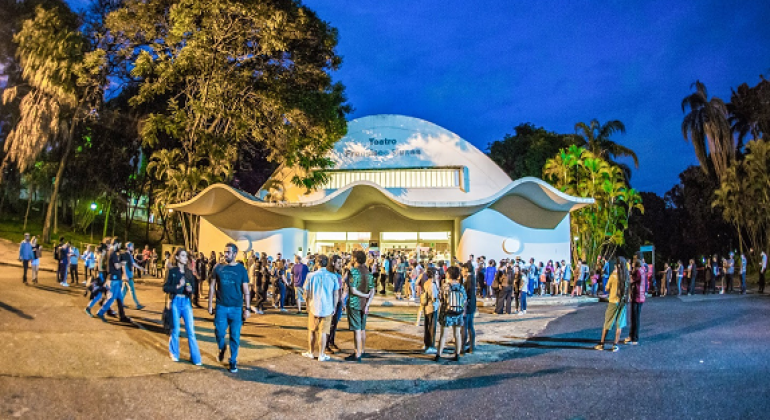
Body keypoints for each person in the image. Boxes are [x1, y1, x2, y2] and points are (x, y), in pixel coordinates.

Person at [208, 243, 251, 373]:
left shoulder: (241, 270)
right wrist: (210, 305)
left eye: (228, 252)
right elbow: (212, 287)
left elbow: (246, 290)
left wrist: (247, 308)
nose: (225, 254)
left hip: (236, 308)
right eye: (225, 252)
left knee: (235, 336)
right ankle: (222, 348)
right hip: (221, 306)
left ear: (235, 254)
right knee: (219, 332)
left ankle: (233, 361)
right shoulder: (218, 267)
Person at [163, 248, 202, 365]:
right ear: (177, 257)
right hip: (175, 301)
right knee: (175, 329)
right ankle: (174, 353)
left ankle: (196, 358)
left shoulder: (188, 272)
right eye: (183, 256)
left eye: (186, 256)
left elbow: (193, 287)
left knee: (191, 331)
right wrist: (178, 286)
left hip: (186, 302)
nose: (185, 258)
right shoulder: (172, 271)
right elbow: (165, 287)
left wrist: (190, 290)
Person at [301, 254, 340, 362]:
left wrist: (307, 304)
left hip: (314, 306)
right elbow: (336, 294)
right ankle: (321, 354)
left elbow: (306, 292)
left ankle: (311, 352)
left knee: (312, 330)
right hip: (328, 307)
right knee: (323, 332)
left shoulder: (310, 275)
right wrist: (334, 306)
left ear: (317, 263)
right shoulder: (333, 276)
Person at [345, 250, 375, 362]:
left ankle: (357, 354)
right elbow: (372, 290)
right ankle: (362, 350)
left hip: (355, 303)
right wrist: (367, 303)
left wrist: (364, 295)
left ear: (355, 259)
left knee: (357, 330)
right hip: (364, 305)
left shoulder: (353, 272)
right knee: (362, 329)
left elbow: (353, 290)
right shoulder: (368, 272)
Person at [595, 257, 628, 352]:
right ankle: (615, 345)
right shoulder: (626, 275)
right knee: (619, 324)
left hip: (613, 301)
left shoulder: (613, 275)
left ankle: (602, 344)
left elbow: (607, 288)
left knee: (608, 322)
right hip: (623, 302)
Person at [435, 266, 467, 362]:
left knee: (443, 335)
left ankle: (438, 355)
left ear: (448, 274)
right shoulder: (461, 287)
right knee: (457, 334)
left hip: (446, 313)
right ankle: (457, 354)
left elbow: (440, 298)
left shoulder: (445, 286)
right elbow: (464, 299)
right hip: (458, 313)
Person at [95, 239, 131, 323]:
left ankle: (122, 316)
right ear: (117, 244)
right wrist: (123, 263)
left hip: (114, 278)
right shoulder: (113, 253)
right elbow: (117, 266)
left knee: (120, 298)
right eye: (119, 244)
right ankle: (100, 312)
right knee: (111, 298)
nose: (120, 246)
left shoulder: (109, 252)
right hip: (114, 279)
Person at [625, 259, 646, 345]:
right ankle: (631, 336)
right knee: (634, 318)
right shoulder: (642, 270)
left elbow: (630, 280)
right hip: (640, 296)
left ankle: (634, 338)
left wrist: (629, 272)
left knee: (635, 318)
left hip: (637, 297)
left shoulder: (638, 272)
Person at [419, 267, 439, 354]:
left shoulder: (426, 282)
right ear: (433, 275)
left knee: (427, 326)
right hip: (432, 307)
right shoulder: (432, 284)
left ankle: (426, 343)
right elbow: (434, 297)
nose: (438, 276)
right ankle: (431, 346)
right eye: (436, 274)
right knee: (432, 327)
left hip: (426, 306)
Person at [121, 243, 146, 310]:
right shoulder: (125, 254)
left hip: (127, 276)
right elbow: (123, 265)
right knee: (132, 290)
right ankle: (137, 304)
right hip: (128, 276)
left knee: (124, 291)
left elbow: (133, 263)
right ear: (128, 247)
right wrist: (125, 275)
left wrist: (140, 268)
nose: (133, 247)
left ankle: (120, 303)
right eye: (132, 246)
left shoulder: (129, 255)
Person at [461, 262, 476, 354]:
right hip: (472, 305)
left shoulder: (469, 280)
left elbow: (466, 293)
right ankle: (471, 347)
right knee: (470, 326)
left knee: (464, 327)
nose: (462, 271)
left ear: (466, 269)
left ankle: (462, 348)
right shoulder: (472, 278)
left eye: (463, 269)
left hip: (467, 306)